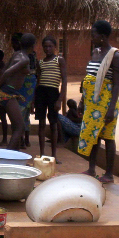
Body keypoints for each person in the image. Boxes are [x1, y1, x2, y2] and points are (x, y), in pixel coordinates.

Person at [79, 20, 119, 184]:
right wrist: (82, 101)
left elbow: (117, 84)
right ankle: (91, 169)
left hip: (106, 104)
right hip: (92, 103)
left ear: (103, 36)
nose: (92, 37)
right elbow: (89, 78)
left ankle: (109, 174)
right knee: (93, 136)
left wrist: (111, 108)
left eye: (94, 34)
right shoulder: (95, 52)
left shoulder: (114, 55)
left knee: (108, 137)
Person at [0, 33, 35, 151]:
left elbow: (5, 70)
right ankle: (8, 156)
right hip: (8, 93)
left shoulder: (17, 54)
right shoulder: (25, 59)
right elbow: (7, 73)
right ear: (33, 46)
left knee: (17, 125)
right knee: (20, 127)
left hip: (9, 92)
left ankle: (15, 155)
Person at [34, 35, 67, 163]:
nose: (47, 49)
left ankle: (54, 155)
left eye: (50, 46)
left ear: (55, 47)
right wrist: (33, 100)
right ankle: (42, 153)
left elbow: (64, 80)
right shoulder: (40, 62)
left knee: (53, 123)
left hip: (53, 93)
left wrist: (60, 99)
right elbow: (38, 81)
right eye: (45, 46)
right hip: (41, 92)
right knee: (41, 124)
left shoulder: (60, 60)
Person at [18, 41, 37, 149]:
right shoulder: (33, 76)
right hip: (28, 96)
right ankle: (26, 140)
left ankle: (21, 140)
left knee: (20, 117)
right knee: (25, 117)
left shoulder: (21, 57)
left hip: (22, 95)